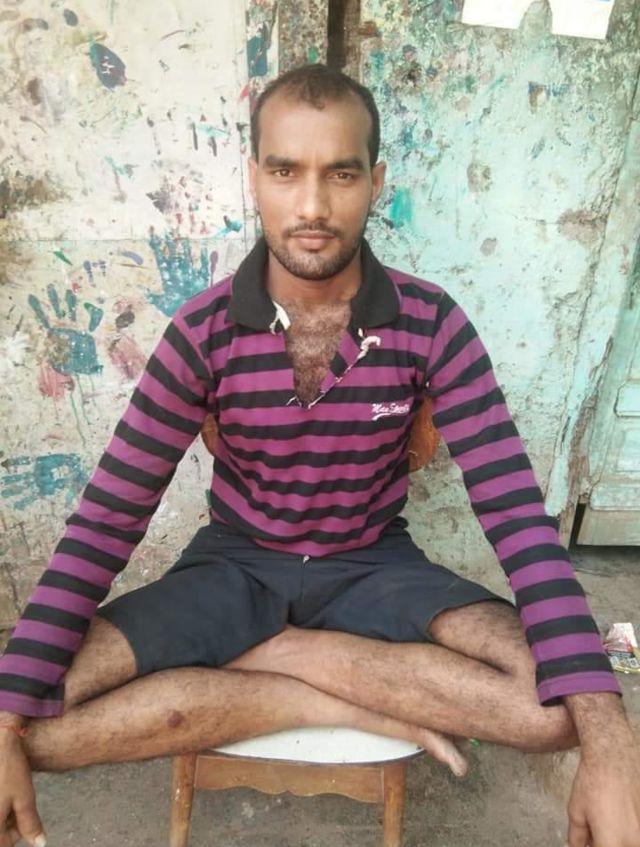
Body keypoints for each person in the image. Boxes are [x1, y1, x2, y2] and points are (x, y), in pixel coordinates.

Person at [0, 64, 638, 847]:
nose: (311, 206)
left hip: (373, 566)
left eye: (340, 173)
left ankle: (280, 652)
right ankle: (320, 692)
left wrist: (612, 743)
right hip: (233, 567)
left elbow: (516, 516)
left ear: (375, 182)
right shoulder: (202, 331)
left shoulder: (432, 322)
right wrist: (7, 716)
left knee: (554, 711)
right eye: (284, 172)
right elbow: (107, 517)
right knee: (35, 718)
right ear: (254, 179)